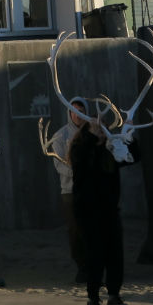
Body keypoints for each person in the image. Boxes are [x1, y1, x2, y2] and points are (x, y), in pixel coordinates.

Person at [68, 119, 139, 305]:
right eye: (97, 130)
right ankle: (93, 296)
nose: (101, 133)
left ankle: (114, 296)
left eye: (103, 130)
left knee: (115, 253)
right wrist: (92, 135)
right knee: (94, 254)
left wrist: (128, 135)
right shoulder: (80, 150)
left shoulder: (111, 151)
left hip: (109, 210)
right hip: (87, 212)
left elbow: (133, 156)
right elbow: (81, 161)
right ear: (87, 133)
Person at [48, 99, 89, 282]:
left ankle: (93, 267)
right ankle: (82, 267)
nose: (77, 114)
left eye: (81, 110)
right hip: (70, 192)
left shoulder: (94, 132)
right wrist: (81, 173)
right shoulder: (60, 136)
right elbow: (59, 166)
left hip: (92, 191)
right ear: (69, 113)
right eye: (74, 111)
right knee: (75, 230)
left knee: (92, 230)